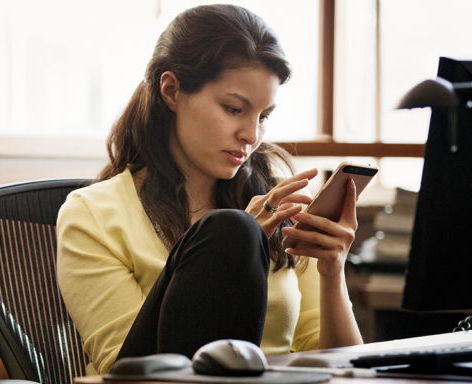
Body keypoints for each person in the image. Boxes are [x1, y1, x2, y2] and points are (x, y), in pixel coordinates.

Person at [55, 4, 364, 376]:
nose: (252, 135)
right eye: (234, 109)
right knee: (230, 232)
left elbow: (343, 369)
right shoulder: (92, 214)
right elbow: (122, 370)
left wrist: (333, 272)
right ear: (171, 90)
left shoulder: (281, 206)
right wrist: (235, 251)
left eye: (263, 117)